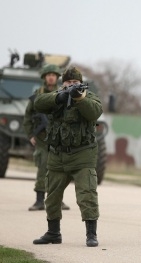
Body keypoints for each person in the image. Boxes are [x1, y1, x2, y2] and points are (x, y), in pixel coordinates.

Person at [32, 66, 103, 247]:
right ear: (62, 84)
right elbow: (38, 103)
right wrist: (59, 97)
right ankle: (53, 233)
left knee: (87, 195)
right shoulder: (56, 97)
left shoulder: (90, 97)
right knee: (52, 197)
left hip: (83, 155)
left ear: (81, 83)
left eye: (75, 83)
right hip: (57, 156)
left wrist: (79, 98)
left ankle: (91, 234)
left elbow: (94, 111)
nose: (72, 85)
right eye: (68, 83)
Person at [23, 64, 70, 211]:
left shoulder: (63, 93)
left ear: (57, 77)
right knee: (43, 168)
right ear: (44, 77)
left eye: (54, 75)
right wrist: (31, 134)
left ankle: (57, 200)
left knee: (59, 171)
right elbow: (27, 116)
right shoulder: (38, 94)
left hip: (58, 139)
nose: (51, 77)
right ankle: (39, 201)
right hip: (42, 139)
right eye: (48, 75)